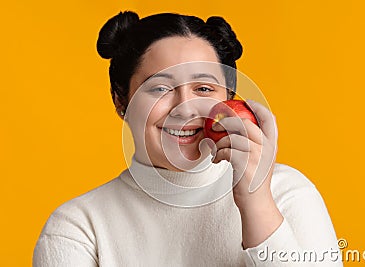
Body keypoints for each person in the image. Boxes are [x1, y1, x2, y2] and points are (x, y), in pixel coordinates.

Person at [33, 11, 343, 266]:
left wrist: (256, 203)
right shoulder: (78, 226)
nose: (185, 108)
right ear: (120, 100)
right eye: (159, 88)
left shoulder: (287, 193)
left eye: (204, 88)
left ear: (229, 98)